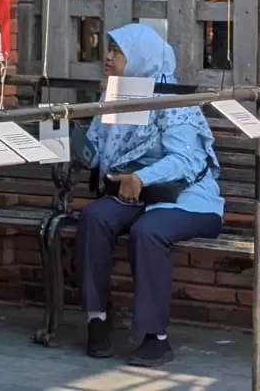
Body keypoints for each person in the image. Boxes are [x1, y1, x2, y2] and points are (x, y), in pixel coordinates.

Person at [75, 23, 223, 368]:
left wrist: (141, 177)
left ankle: (155, 337)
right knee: (94, 218)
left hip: (186, 197)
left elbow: (186, 160)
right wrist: (67, 139)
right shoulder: (122, 94)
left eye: (116, 51)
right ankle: (96, 319)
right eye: (109, 49)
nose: (108, 57)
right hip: (136, 196)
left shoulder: (174, 99)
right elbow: (99, 151)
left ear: (140, 57)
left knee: (149, 231)